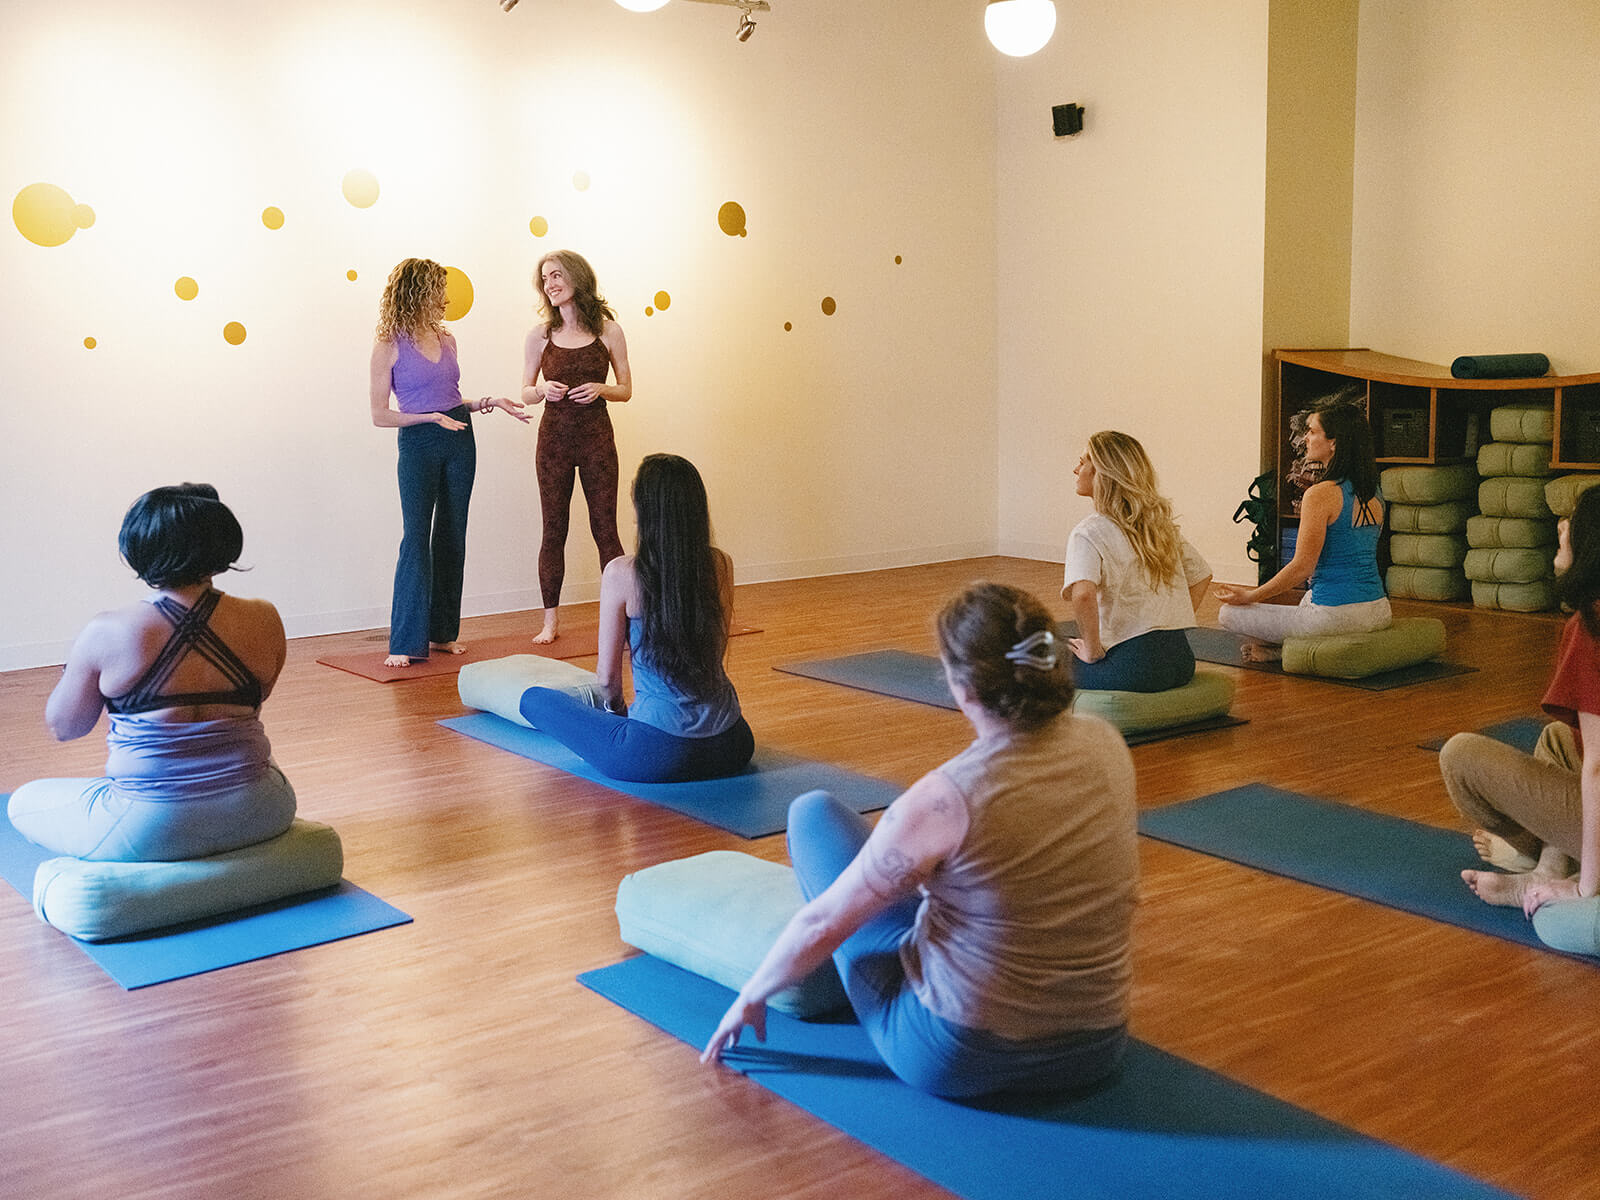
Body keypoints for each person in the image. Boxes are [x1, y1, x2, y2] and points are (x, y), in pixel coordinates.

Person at [702, 582, 1137, 1099]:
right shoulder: (1106, 742)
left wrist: (750, 996)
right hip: (1097, 1047)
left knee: (813, 814)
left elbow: (822, 921)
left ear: (961, 686)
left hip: (961, 1056)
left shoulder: (947, 797)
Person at [7, 485, 297, 862]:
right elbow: (258, 699)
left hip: (151, 827)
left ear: (137, 550)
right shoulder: (265, 617)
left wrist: (76, 668)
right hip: (265, 811)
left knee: (23, 802)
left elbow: (66, 728)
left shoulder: (107, 630)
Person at [517, 454, 752, 783]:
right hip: (733, 745)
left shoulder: (621, 573)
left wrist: (618, 715)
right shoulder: (720, 565)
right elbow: (716, 648)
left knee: (535, 700)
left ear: (645, 512)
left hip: (658, 754)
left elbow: (607, 680)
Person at [1442, 484, 1600, 918]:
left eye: (1574, 520)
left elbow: (1598, 768)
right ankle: (1549, 866)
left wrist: (1585, 892)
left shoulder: (1591, 627)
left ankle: (1569, 872)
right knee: (1556, 739)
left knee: (1460, 756)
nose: (1562, 526)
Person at [370, 257, 525, 668]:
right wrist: (429, 419)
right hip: (419, 441)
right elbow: (379, 414)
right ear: (419, 290)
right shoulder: (389, 344)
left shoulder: (448, 339)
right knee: (416, 538)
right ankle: (404, 641)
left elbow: (453, 399)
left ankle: (442, 633)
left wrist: (487, 402)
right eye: (439, 287)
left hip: (458, 435)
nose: (445, 296)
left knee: (453, 534)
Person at [1213, 401, 1390, 661]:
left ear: (1334, 442)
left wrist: (1250, 595)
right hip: (1379, 610)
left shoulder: (1320, 494)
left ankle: (1283, 651)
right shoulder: (1374, 491)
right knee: (1307, 599)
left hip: (1337, 616)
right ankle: (1283, 650)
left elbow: (1302, 567)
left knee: (1228, 614)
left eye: (1312, 431)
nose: (1305, 438)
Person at [519, 250, 633, 645]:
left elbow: (626, 390)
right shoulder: (540, 335)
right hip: (553, 443)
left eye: (556, 275)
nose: (549, 283)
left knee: (606, 529)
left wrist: (602, 388)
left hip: (597, 438)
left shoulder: (608, 330)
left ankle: (622, 619)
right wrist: (541, 390)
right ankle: (550, 622)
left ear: (577, 278)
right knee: (554, 530)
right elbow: (526, 391)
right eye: (545, 278)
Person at [1063, 431, 1212, 691]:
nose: (1076, 469)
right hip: (1181, 661)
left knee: (1035, 661)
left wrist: (1093, 650)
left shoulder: (1088, 532)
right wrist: (1171, 622)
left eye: (1083, 462)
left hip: (1136, 669)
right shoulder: (1158, 526)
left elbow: (1083, 595)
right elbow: (1202, 576)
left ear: (1102, 473)